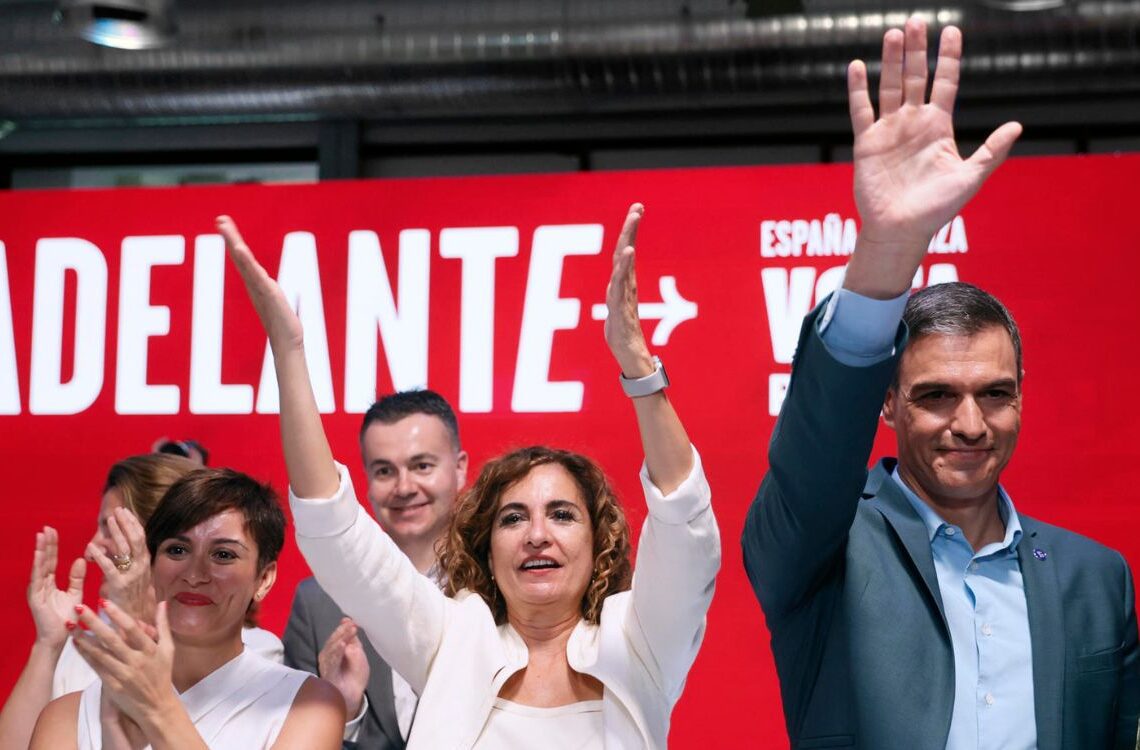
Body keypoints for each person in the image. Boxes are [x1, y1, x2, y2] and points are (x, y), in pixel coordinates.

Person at [742, 17, 1140, 750]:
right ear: (886, 402)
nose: (970, 423)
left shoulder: (1098, 580)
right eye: (935, 395)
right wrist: (890, 247)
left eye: (994, 393)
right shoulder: (822, 546)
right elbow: (813, 458)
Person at [219, 199, 720, 748]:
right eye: (512, 518)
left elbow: (683, 522)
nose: (536, 534)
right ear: (486, 546)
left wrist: (637, 365)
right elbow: (333, 526)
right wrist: (289, 350)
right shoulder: (451, 639)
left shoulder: (640, 641)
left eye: (561, 514)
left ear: (598, 541)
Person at [29, 468, 346, 749]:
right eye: (177, 550)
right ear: (150, 564)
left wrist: (160, 709)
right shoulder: (69, 715)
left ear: (263, 578)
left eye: (223, 555)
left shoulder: (308, 705)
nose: (194, 575)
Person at [283, 389, 468, 748]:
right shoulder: (316, 605)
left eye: (422, 466)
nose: (404, 487)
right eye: (384, 471)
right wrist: (345, 712)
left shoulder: (504, 587)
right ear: (365, 479)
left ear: (459, 468)